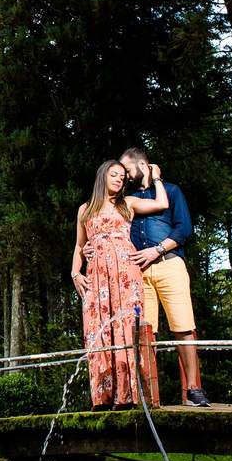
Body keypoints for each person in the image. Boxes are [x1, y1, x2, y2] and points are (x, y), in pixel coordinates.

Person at [71, 159, 169, 408]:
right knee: (99, 328)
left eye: (123, 177)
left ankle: (127, 395)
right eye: (114, 175)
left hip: (126, 273)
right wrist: (75, 273)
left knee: (126, 326)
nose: (119, 179)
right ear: (102, 175)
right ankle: (102, 397)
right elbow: (80, 246)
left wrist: (155, 177)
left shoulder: (128, 204)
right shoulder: (86, 209)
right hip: (97, 275)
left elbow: (162, 203)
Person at [119, 146, 211, 407]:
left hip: (170, 264)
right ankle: (148, 394)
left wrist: (157, 250)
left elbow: (184, 228)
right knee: (146, 333)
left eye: (127, 170)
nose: (125, 176)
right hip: (140, 271)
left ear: (142, 165)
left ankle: (193, 390)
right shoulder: (128, 199)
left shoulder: (171, 191)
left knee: (183, 327)